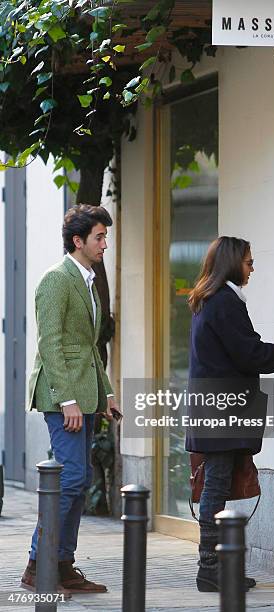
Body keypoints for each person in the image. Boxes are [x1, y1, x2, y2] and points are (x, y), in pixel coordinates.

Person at [185, 236, 274, 593]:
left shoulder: (208, 299)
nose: (252, 267)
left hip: (214, 405)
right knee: (215, 485)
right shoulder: (224, 302)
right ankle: (210, 569)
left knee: (217, 484)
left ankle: (215, 567)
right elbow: (249, 353)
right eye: (248, 261)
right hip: (222, 407)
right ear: (232, 263)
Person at [21, 204, 122, 594]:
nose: (105, 243)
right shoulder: (56, 280)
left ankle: (63, 565)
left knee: (77, 483)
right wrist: (67, 401)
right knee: (72, 477)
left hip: (85, 394)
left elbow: (89, 346)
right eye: (99, 237)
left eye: (105, 236)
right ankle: (37, 566)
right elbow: (50, 344)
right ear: (78, 241)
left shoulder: (87, 279)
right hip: (60, 396)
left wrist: (107, 393)